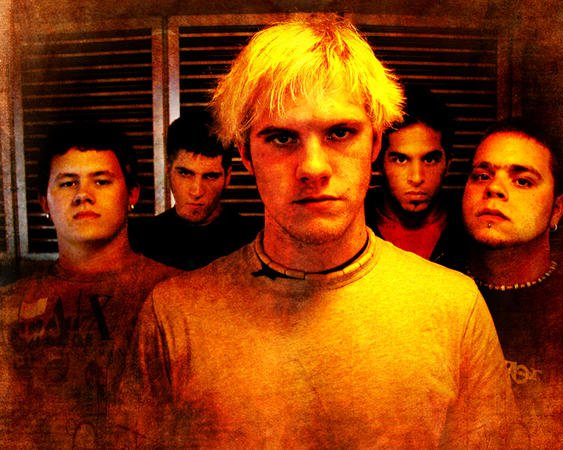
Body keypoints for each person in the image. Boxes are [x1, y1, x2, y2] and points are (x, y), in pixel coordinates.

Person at [114, 14, 516, 447]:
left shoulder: (454, 308)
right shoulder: (175, 315)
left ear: (375, 144)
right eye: (281, 138)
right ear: (246, 155)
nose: (313, 168)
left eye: (340, 133)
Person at [0, 122, 179, 448]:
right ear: (44, 203)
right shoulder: (7, 308)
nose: (83, 195)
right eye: (68, 183)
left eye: (101, 181)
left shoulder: (179, 295)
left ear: (132, 194)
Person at [462, 118, 563, 447]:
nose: (493, 189)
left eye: (522, 181)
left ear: (557, 210)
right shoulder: (431, 293)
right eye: (481, 176)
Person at [129, 111, 260, 270]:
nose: (197, 191)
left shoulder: (255, 242)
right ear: (168, 171)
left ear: (227, 177)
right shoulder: (140, 241)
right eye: (185, 173)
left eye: (210, 176)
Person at [366, 86, 465, 268]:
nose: (417, 177)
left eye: (429, 160)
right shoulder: (355, 223)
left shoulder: (469, 224)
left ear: (448, 164)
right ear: (379, 163)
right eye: (401, 160)